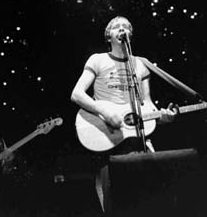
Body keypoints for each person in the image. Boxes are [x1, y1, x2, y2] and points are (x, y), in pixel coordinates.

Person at [71, 16, 176, 213]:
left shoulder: (141, 65)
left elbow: (148, 105)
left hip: (139, 140)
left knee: (153, 202)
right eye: (116, 27)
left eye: (126, 27)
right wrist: (103, 110)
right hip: (108, 140)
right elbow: (77, 94)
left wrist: (162, 117)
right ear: (108, 36)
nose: (122, 29)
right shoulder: (97, 59)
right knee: (118, 206)